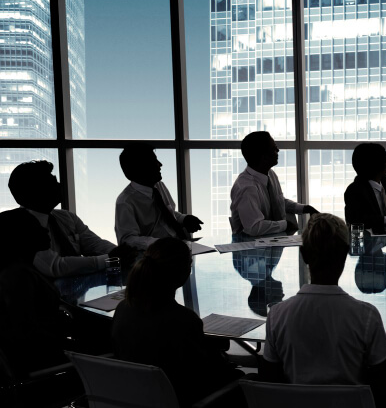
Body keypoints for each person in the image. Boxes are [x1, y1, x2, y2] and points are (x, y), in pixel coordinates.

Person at [262, 213, 386, 402]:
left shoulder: (277, 316)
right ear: (345, 254)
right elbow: (384, 388)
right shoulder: (366, 317)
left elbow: (270, 384)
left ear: (304, 254)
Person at [112, 238, 242, 407]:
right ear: (184, 273)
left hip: (136, 396)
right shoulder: (185, 320)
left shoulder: (123, 309)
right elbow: (200, 374)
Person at [10, 160, 129, 277]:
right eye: (51, 182)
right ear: (34, 192)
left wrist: (122, 253)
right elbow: (55, 267)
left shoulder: (67, 217)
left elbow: (94, 244)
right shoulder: (18, 226)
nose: (59, 185)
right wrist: (109, 259)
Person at [0, 208, 72, 378]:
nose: (45, 230)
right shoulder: (19, 276)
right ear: (19, 236)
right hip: (45, 368)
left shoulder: (18, 271)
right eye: (36, 227)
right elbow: (27, 335)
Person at [116, 143, 203, 250]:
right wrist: (162, 243)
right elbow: (127, 240)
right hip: (154, 258)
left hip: (177, 248)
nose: (160, 164)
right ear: (140, 168)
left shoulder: (158, 186)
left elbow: (167, 214)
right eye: (153, 161)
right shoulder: (125, 202)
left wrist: (184, 219)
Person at [229, 131, 317, 237]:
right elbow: (254, 227)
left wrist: (304, 208)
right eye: (274, 148)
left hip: (272, 243)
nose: (278, 150)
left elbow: (277, 201)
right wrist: (285, 225)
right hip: (249, 249)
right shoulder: (246, 188)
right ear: (263, 156)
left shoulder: (270, 174)